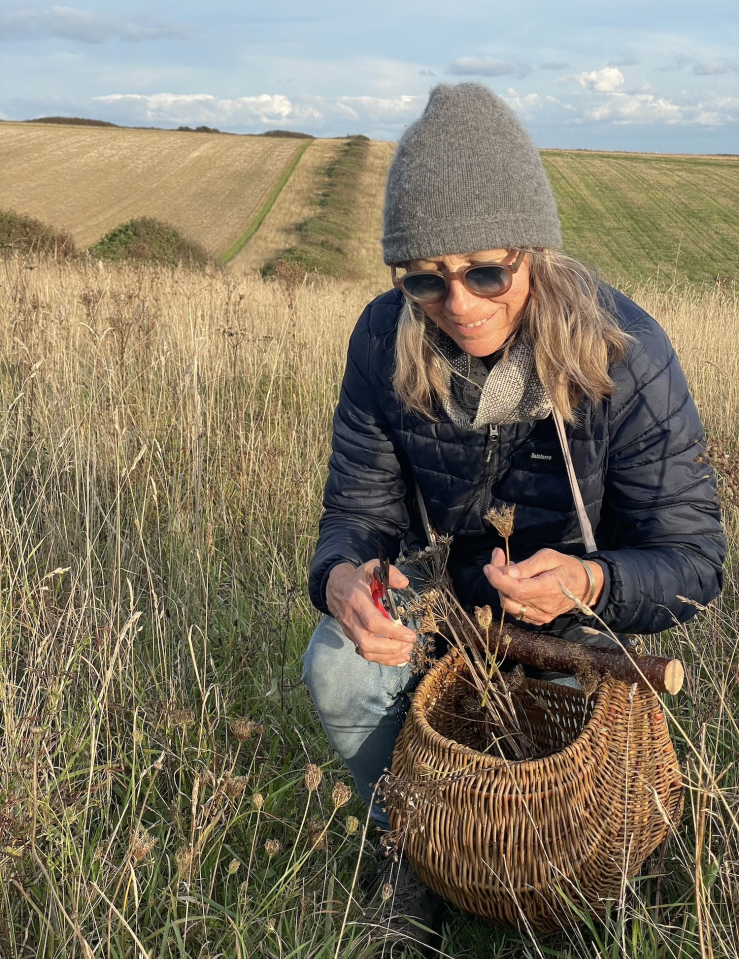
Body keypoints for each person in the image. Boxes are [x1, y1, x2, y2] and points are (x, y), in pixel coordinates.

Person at [302, 83, 726, 946]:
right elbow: (357, 510)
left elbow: (692, 561)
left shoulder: (626, 355)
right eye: (425, 278)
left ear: (535, 253)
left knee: (568, 787)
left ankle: (569, 882)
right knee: (338, 666)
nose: (458, 303)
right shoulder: (383, 340)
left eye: (486, 270)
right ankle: (412, 843)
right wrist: (344, 577)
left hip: (577, 625)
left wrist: (591, 580)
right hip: (443, 609)